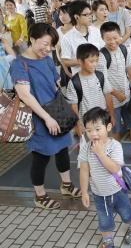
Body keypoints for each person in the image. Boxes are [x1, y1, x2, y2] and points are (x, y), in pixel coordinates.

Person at [10, 23, 82, 209]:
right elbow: (25, 95)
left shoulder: (48, 59)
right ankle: (40, 196)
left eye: (51, 45)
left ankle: (66, 185)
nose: (48, 49)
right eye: (44, 44)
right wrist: (47, 118)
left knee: (62, 149)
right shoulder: (19, 64)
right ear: (32, 39)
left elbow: (56, 84)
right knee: (41, 158)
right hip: (38, 118)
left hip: (56, 113)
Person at [79, 107, 131, 248]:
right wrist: (84, 192)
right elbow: (83, 170)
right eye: (89, 131)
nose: (93, 134)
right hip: (99, 193)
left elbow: (115, 168)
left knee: (127, 212)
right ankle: (107, 240)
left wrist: (100, 153)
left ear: (108, 127)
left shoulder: (115, 146)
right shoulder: (86, 148)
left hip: (117, 190)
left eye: (97, 129)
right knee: (103, 219)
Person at [96, 22, 131, 162]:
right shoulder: (101, 56)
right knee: (115, 129)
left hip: (127, 97)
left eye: (115, 37)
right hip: (112, 100)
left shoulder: (124, 49)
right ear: (102, 38)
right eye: (108, 39)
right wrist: (116, 94)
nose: (112, 42)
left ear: (120, 36)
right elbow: (103, 81)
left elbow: (130, 70)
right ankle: (116, 155)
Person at [66, 43, 114, 137]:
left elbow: (108, 96)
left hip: (102, 121)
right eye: (91, 61)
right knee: (89, 149)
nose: (94, 64)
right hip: (86, 125)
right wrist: (78, 125)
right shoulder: (75, 82)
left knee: (104, 147)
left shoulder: (100, 76)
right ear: (80, 61)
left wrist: (111, 115)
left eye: (96, 61)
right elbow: (74, 107)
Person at [60, 0, 104, 75]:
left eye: (90, 14)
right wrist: (83, 61)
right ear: (76, 17)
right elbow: (65, 61)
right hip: (82, 78)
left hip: (100, 75)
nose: (90, 17)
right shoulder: (67, 38)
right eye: (86, 15)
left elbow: (103, 50)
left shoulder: (96, 31)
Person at [55, 4, 73, 86]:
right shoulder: (58, 31)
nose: (63, 16)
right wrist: (66, 71)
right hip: (65, 65)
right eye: (60, 14)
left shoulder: (78, 29)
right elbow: (58, 53)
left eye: (65, 13)